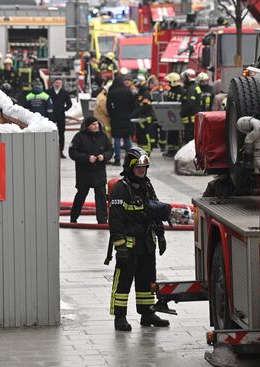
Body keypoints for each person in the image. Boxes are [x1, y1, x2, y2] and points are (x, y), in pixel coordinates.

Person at [106, 147, 170, 331]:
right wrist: (120, 247)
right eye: (138, 168)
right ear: (130, 167)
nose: (142, 171)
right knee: (124, 281)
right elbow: (115, 220)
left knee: (147, 279)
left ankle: (147, 312)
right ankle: (120, 317)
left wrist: (161, 233)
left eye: (144, 167)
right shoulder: (121, 188)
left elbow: (154, 210)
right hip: (129, 243)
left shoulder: (147, 185)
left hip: (146, 242)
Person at [68, 116, 113, 224]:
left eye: (97, 124)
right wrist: (87, 158)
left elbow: (110, 150)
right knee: (81, 195)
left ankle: (102, 220)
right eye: (93, 124)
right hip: (84, 173)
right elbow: (72, 152)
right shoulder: (79, 137)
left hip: (99, 172)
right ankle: (73, 217)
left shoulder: (103, 136)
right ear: (87, 126)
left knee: (101, 196)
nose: (96, 126)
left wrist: (104, 156)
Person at [106, 75, 136, 166]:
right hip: (127, 118)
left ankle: (117, 159)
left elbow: (108, 106)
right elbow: (133, 105)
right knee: (127, 138)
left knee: (117, 139)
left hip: (116, 118)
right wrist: (129, 113)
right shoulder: (128, 92)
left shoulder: (112, 92)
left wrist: (112, 114)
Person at [46, 78, 73, 158]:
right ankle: (49, 150)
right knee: (50, 133)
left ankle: (60, 151)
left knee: (61, 134)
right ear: (53, 83)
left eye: (59, 83)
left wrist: (63, 109)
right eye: (56, 82)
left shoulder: (64, 93)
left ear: (61, 84)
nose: (57, 84)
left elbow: (69, 104)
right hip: (51, 115)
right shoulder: (48, 92)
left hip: (61, 116)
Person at [164, 72, 186, 157]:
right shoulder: (171, 91)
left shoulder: (182, 91)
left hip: (177, 116)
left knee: (176, 134)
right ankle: (170, 150)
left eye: (169, 82)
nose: (168, 83)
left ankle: (175, 151)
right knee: (170, 134)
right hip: (170, 115)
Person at [132, 75, 153, 155]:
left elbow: (145, 107)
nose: (135, 84)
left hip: (145, 118)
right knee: (139, 134)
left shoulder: (146, 93)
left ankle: (147, 150)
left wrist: (134, 114)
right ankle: (141, 150)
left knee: (145, 134)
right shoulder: (140, 93)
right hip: (139, 118)